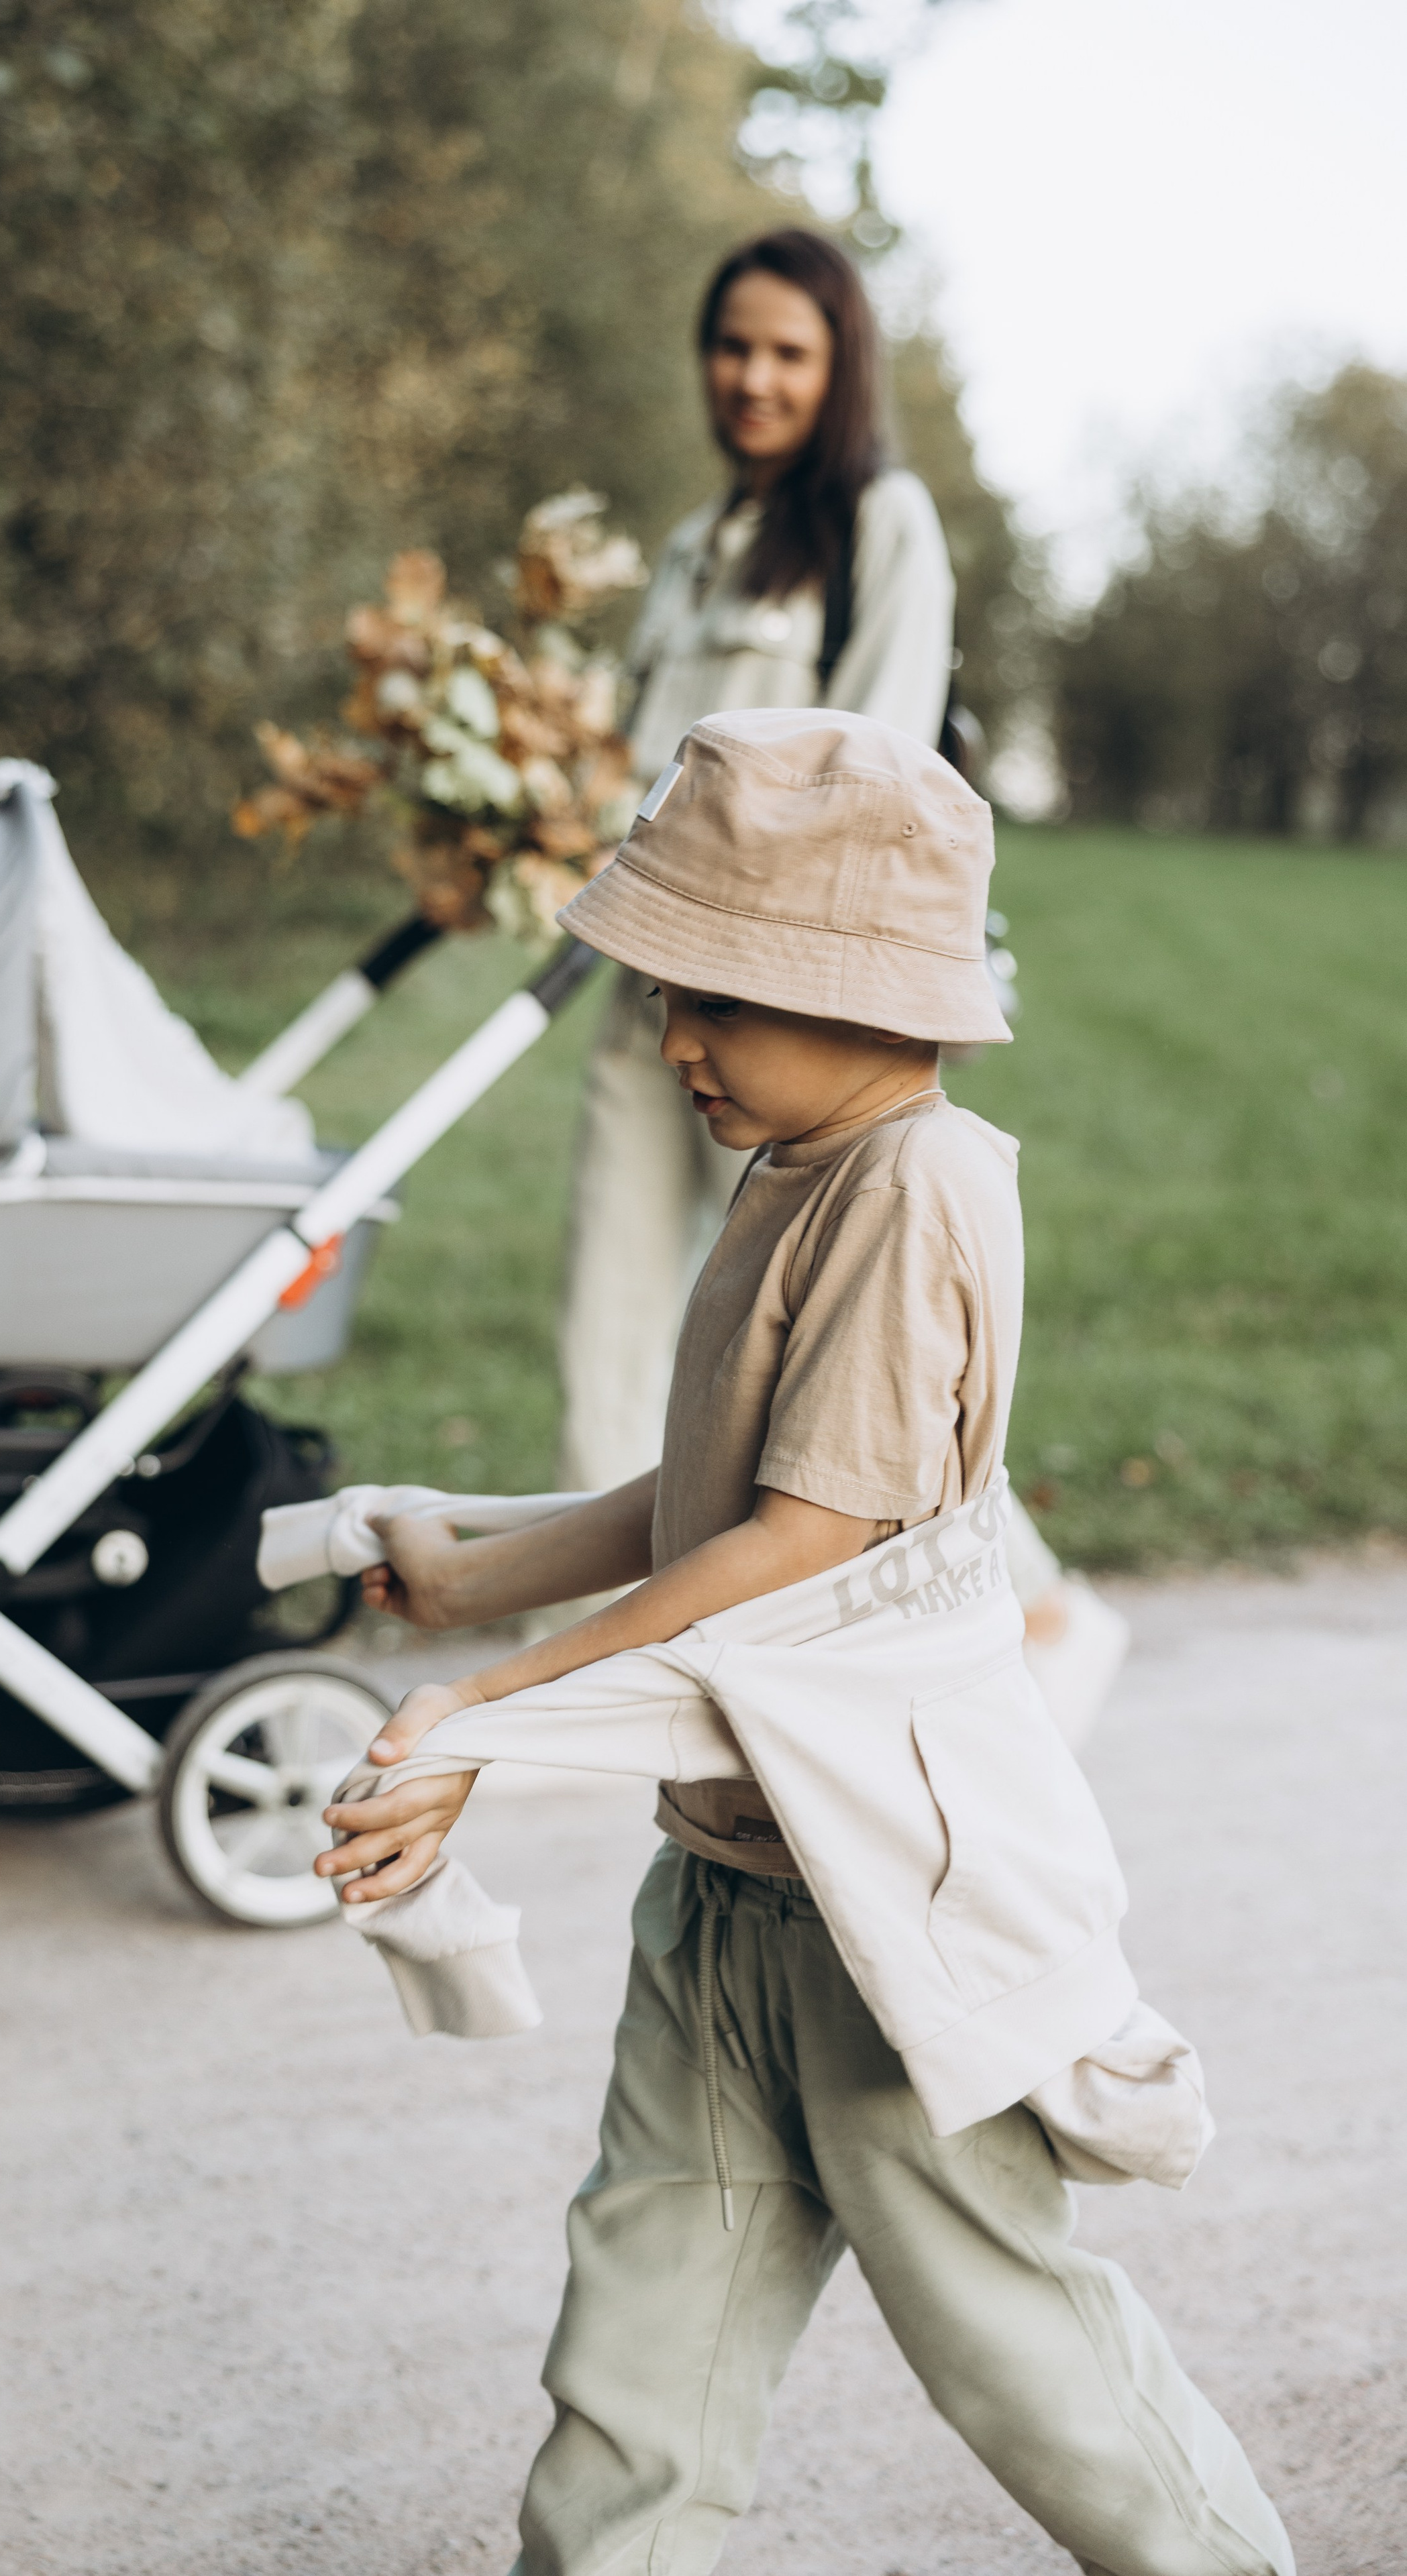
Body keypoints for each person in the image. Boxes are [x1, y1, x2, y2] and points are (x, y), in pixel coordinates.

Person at [319, 710, 1292, 2576]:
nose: (675, 1039)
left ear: (868, 995)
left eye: (719, 997)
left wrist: (486, 1715)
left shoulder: (917, 1189)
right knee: (636, 2376)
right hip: (720, 1897)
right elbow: (713, 1491)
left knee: (1029, 2365)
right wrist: (478, 1577)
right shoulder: (796, 1162)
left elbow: (800, 1547)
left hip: (871, 1912)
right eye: (668, 992)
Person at [560, 224, 1124, 1741]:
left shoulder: (880, 524)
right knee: (612, 1303)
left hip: (785, 997)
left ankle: (1030, 1603)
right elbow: (632, 760)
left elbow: (868, 772)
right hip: (641, 980)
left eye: (786, 352)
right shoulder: (690, 549)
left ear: (837, 367)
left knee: (832, 1334)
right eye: (729, 347)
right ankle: (626, 1653)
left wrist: (782, 979)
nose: (751, 377)